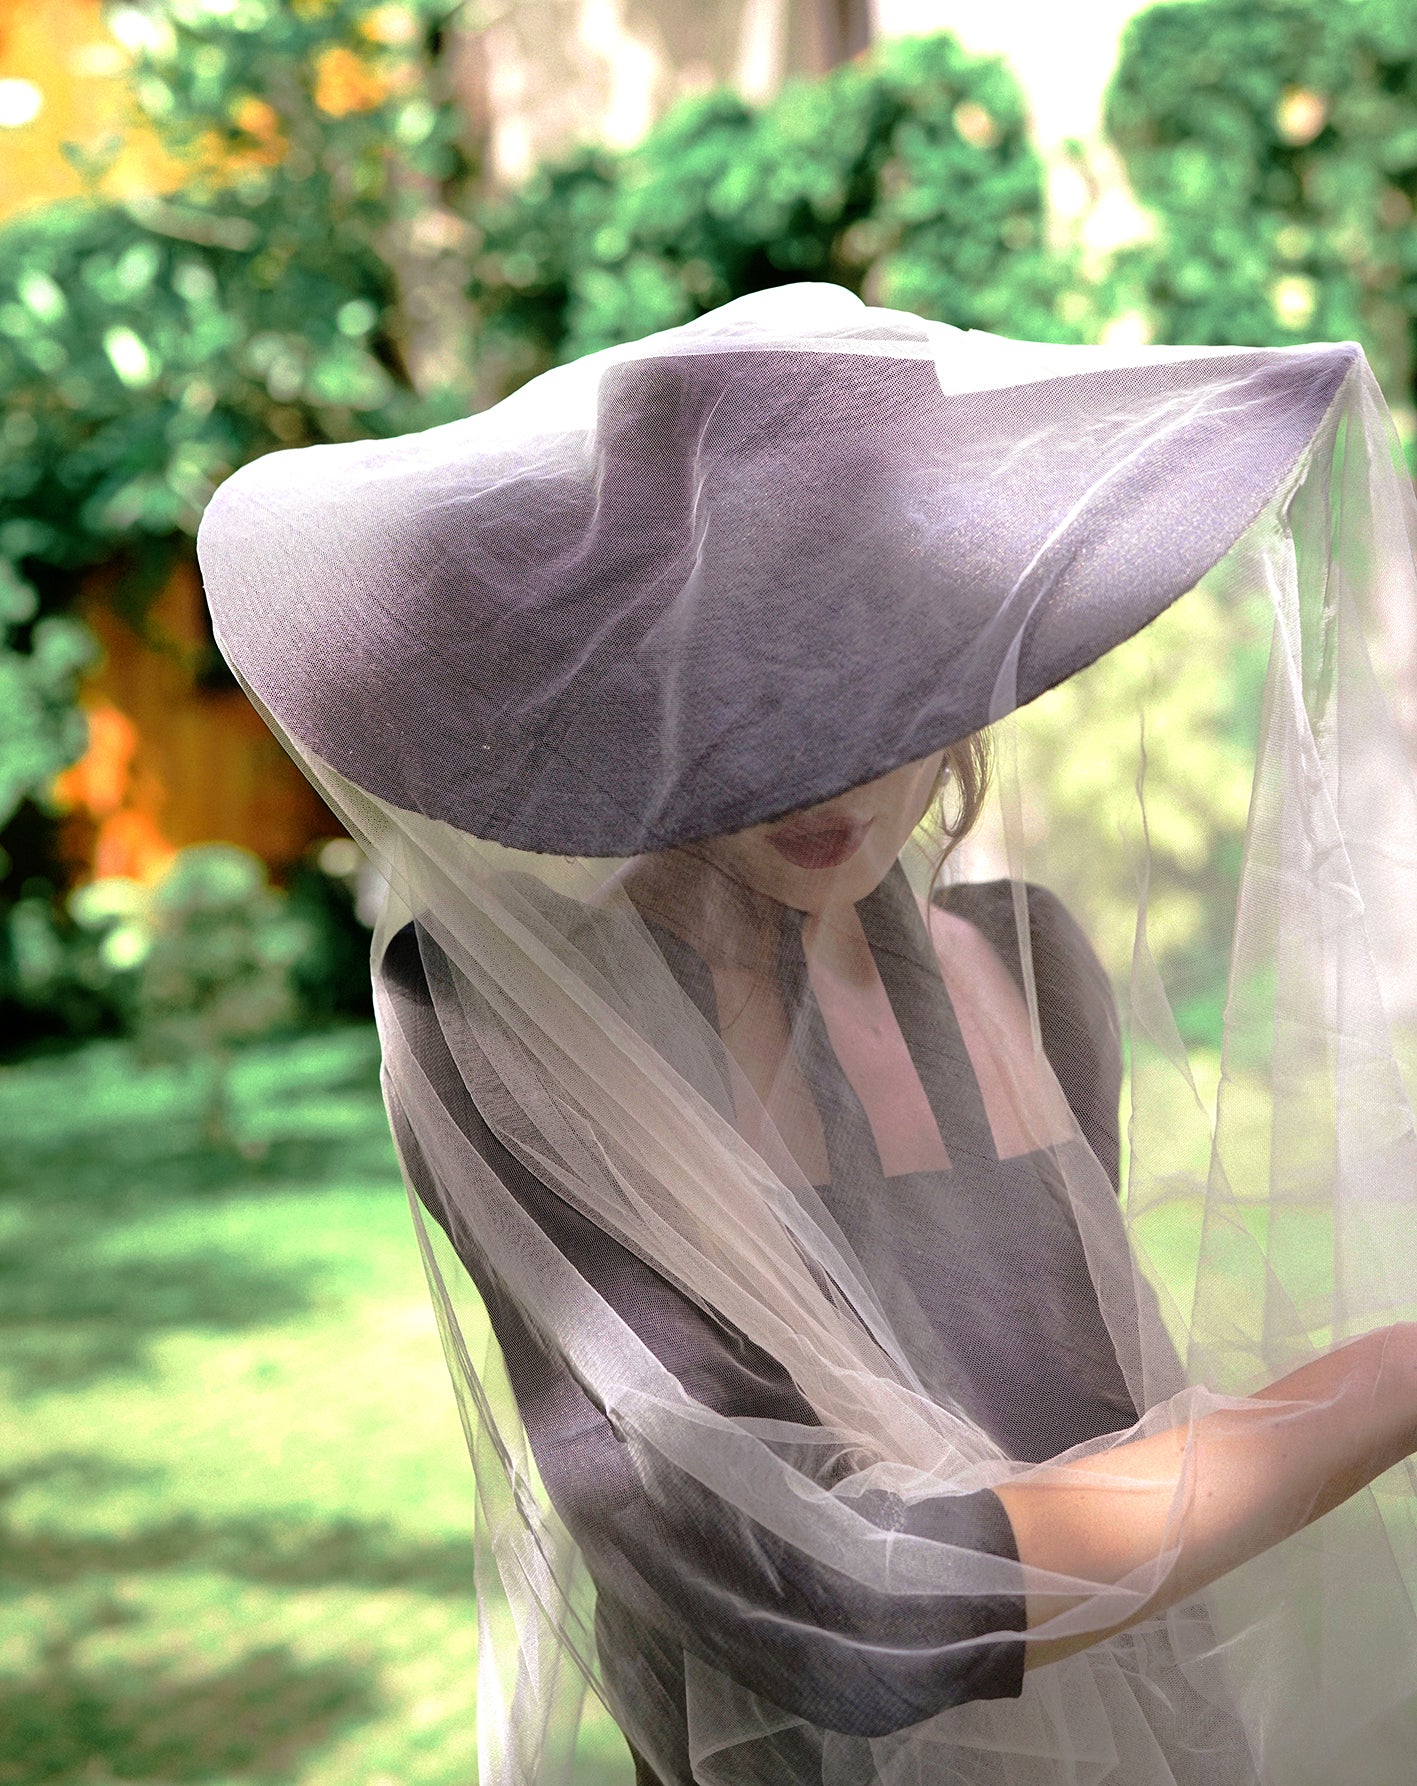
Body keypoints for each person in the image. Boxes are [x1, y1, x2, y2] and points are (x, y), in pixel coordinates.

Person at [198, 284, 1417, 1784]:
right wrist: (1384, 1382)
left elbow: (1082, 1458)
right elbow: (844, 1604)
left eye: (862, 665)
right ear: (630, 680)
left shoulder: (1030, 971)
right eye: (733, 683)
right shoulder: (495, 1024)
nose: (817, 764)